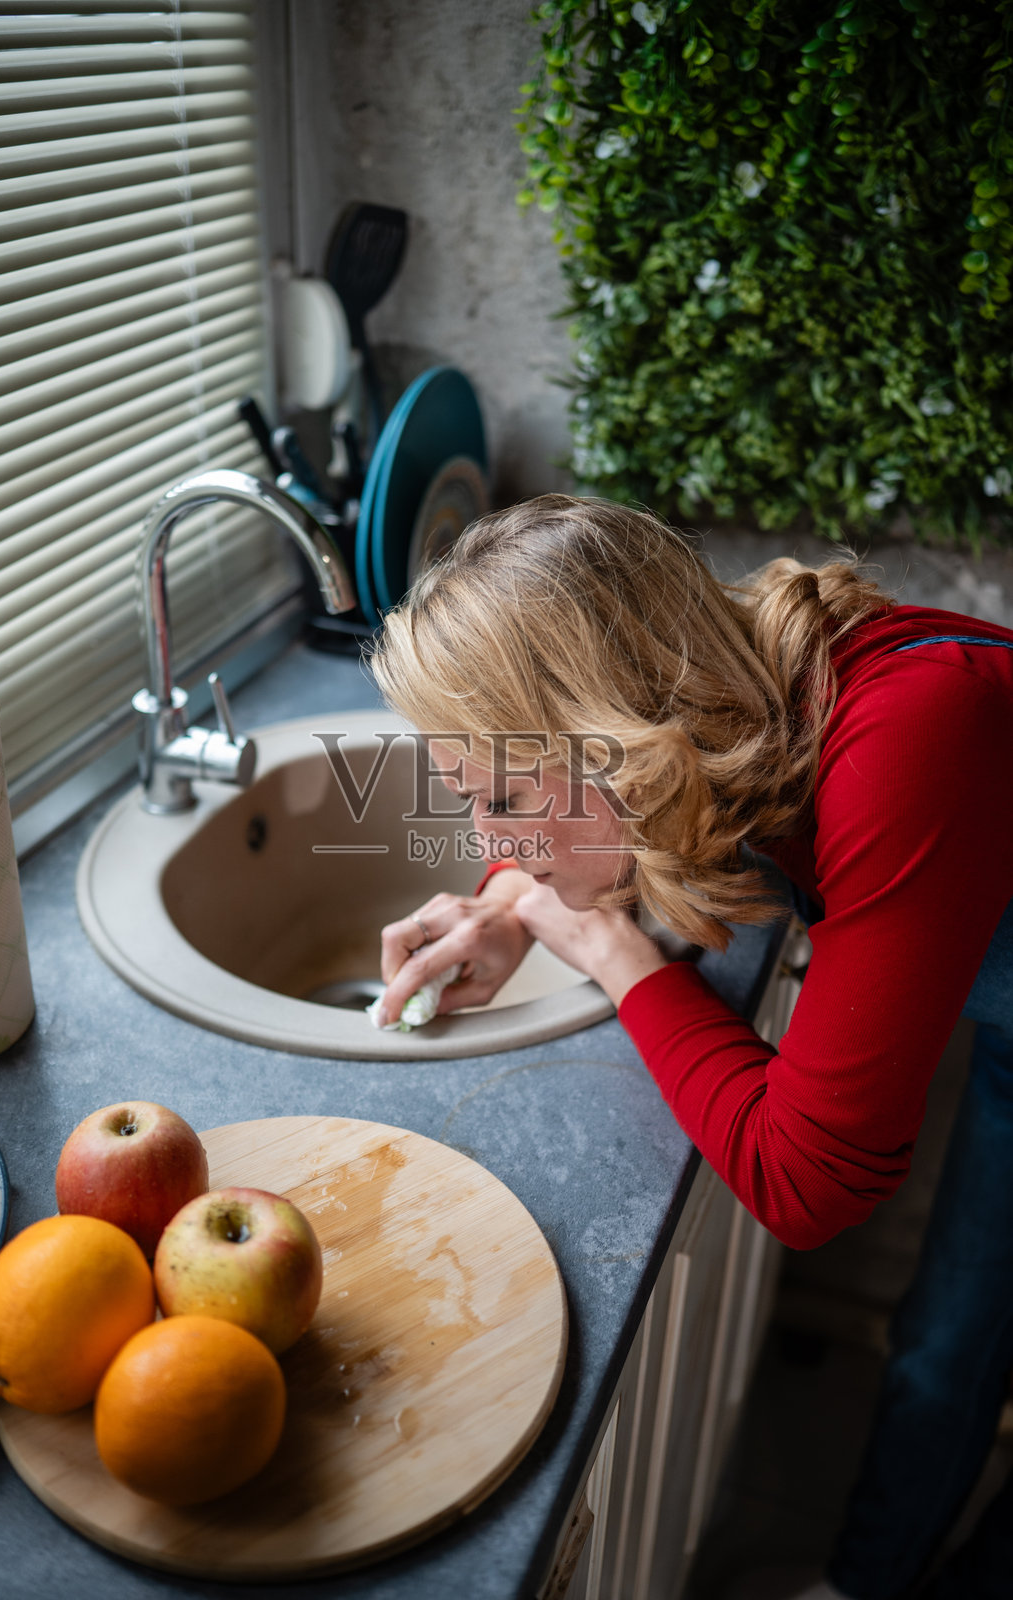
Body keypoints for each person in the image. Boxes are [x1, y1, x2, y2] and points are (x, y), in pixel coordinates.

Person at [371, 494, 1013, 1600]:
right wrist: (511, 898)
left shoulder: (907, 737)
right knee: (948, 1343)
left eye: (506, 797)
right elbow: (623, 819)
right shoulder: (748, 682)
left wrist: (614, 953)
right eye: (473, 800)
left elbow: (805, 1181)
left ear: (625, 738)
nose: (488, 839)